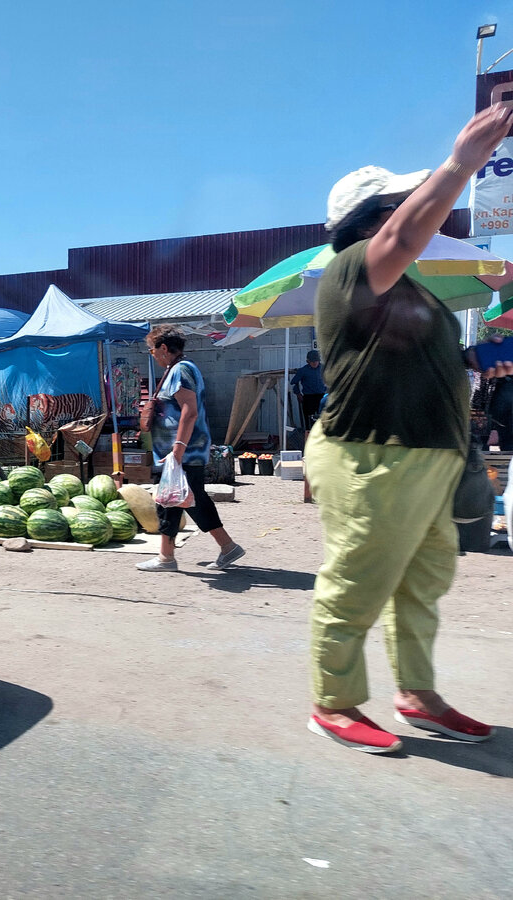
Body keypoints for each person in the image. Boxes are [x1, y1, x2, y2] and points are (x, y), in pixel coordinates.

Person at [304, 101, 513, 754]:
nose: (420, 207)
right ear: (372, 219)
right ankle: (332, 702)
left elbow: (424, 359)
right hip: (373, 456)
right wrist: (461, 164)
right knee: (359, 579)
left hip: (426, 459)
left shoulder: (405, 290)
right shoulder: (353, 267)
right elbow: (400, 239)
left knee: (421, 584)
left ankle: (417, 695)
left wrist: (477, 359)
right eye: (403, 199)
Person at [136, 324, 245, 573]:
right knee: (175, 500)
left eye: (152, 350)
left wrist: (178, 447)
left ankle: (222, 547)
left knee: (184, 500)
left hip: (184, 451)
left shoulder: (182, 370)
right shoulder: (177, 369)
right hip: (180, 452)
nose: (152, 354)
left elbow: (190, 410)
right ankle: (170, 556)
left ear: (164, 348)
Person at [290, 349, 326, 432]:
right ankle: (309, 439)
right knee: (309, 419)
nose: (315, 363)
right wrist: (298, 394)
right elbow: (294, 382)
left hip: (322, 396)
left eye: (316, 361)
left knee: (324, 419)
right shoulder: (303, 370)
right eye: (312, 361)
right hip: (309, 398)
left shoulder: (324, 368)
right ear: (308, 361)